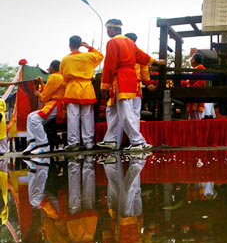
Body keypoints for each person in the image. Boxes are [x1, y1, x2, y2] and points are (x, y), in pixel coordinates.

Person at [99, 19, 157, 151]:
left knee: (125, 111)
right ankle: (111, 140)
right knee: (112, 110)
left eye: (108, 29)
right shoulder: (131, 43)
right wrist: (155, 62)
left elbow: (109, 65)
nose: (108, 31)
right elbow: (142, 57)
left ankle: (137, 142)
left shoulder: (113, 42)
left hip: (121, 79)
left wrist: (104, 86)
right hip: (130, 79)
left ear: (114, 29)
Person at [60, 35, 103, 151]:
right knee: (87, 116)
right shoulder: (88, 56)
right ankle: (88, 142)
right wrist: (90, 47)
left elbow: (63, 76)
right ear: (80, 45)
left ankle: (73, 143)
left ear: (70, 45)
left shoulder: (65, 59)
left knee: (73, 117)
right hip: (86, 88)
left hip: (72, 88)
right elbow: (100, 56)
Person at [24, 61, 64, 155]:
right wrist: (42, 83)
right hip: (56, 104)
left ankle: (43, 145)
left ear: (52, 68)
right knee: (30, 116)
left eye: (49, 68)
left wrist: (39, 95)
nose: (48, 69)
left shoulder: (54, 77)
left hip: (55, 105)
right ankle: (33, 141)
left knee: (34, 119)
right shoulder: (61, 76)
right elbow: (50, 90)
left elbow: (45, 97)